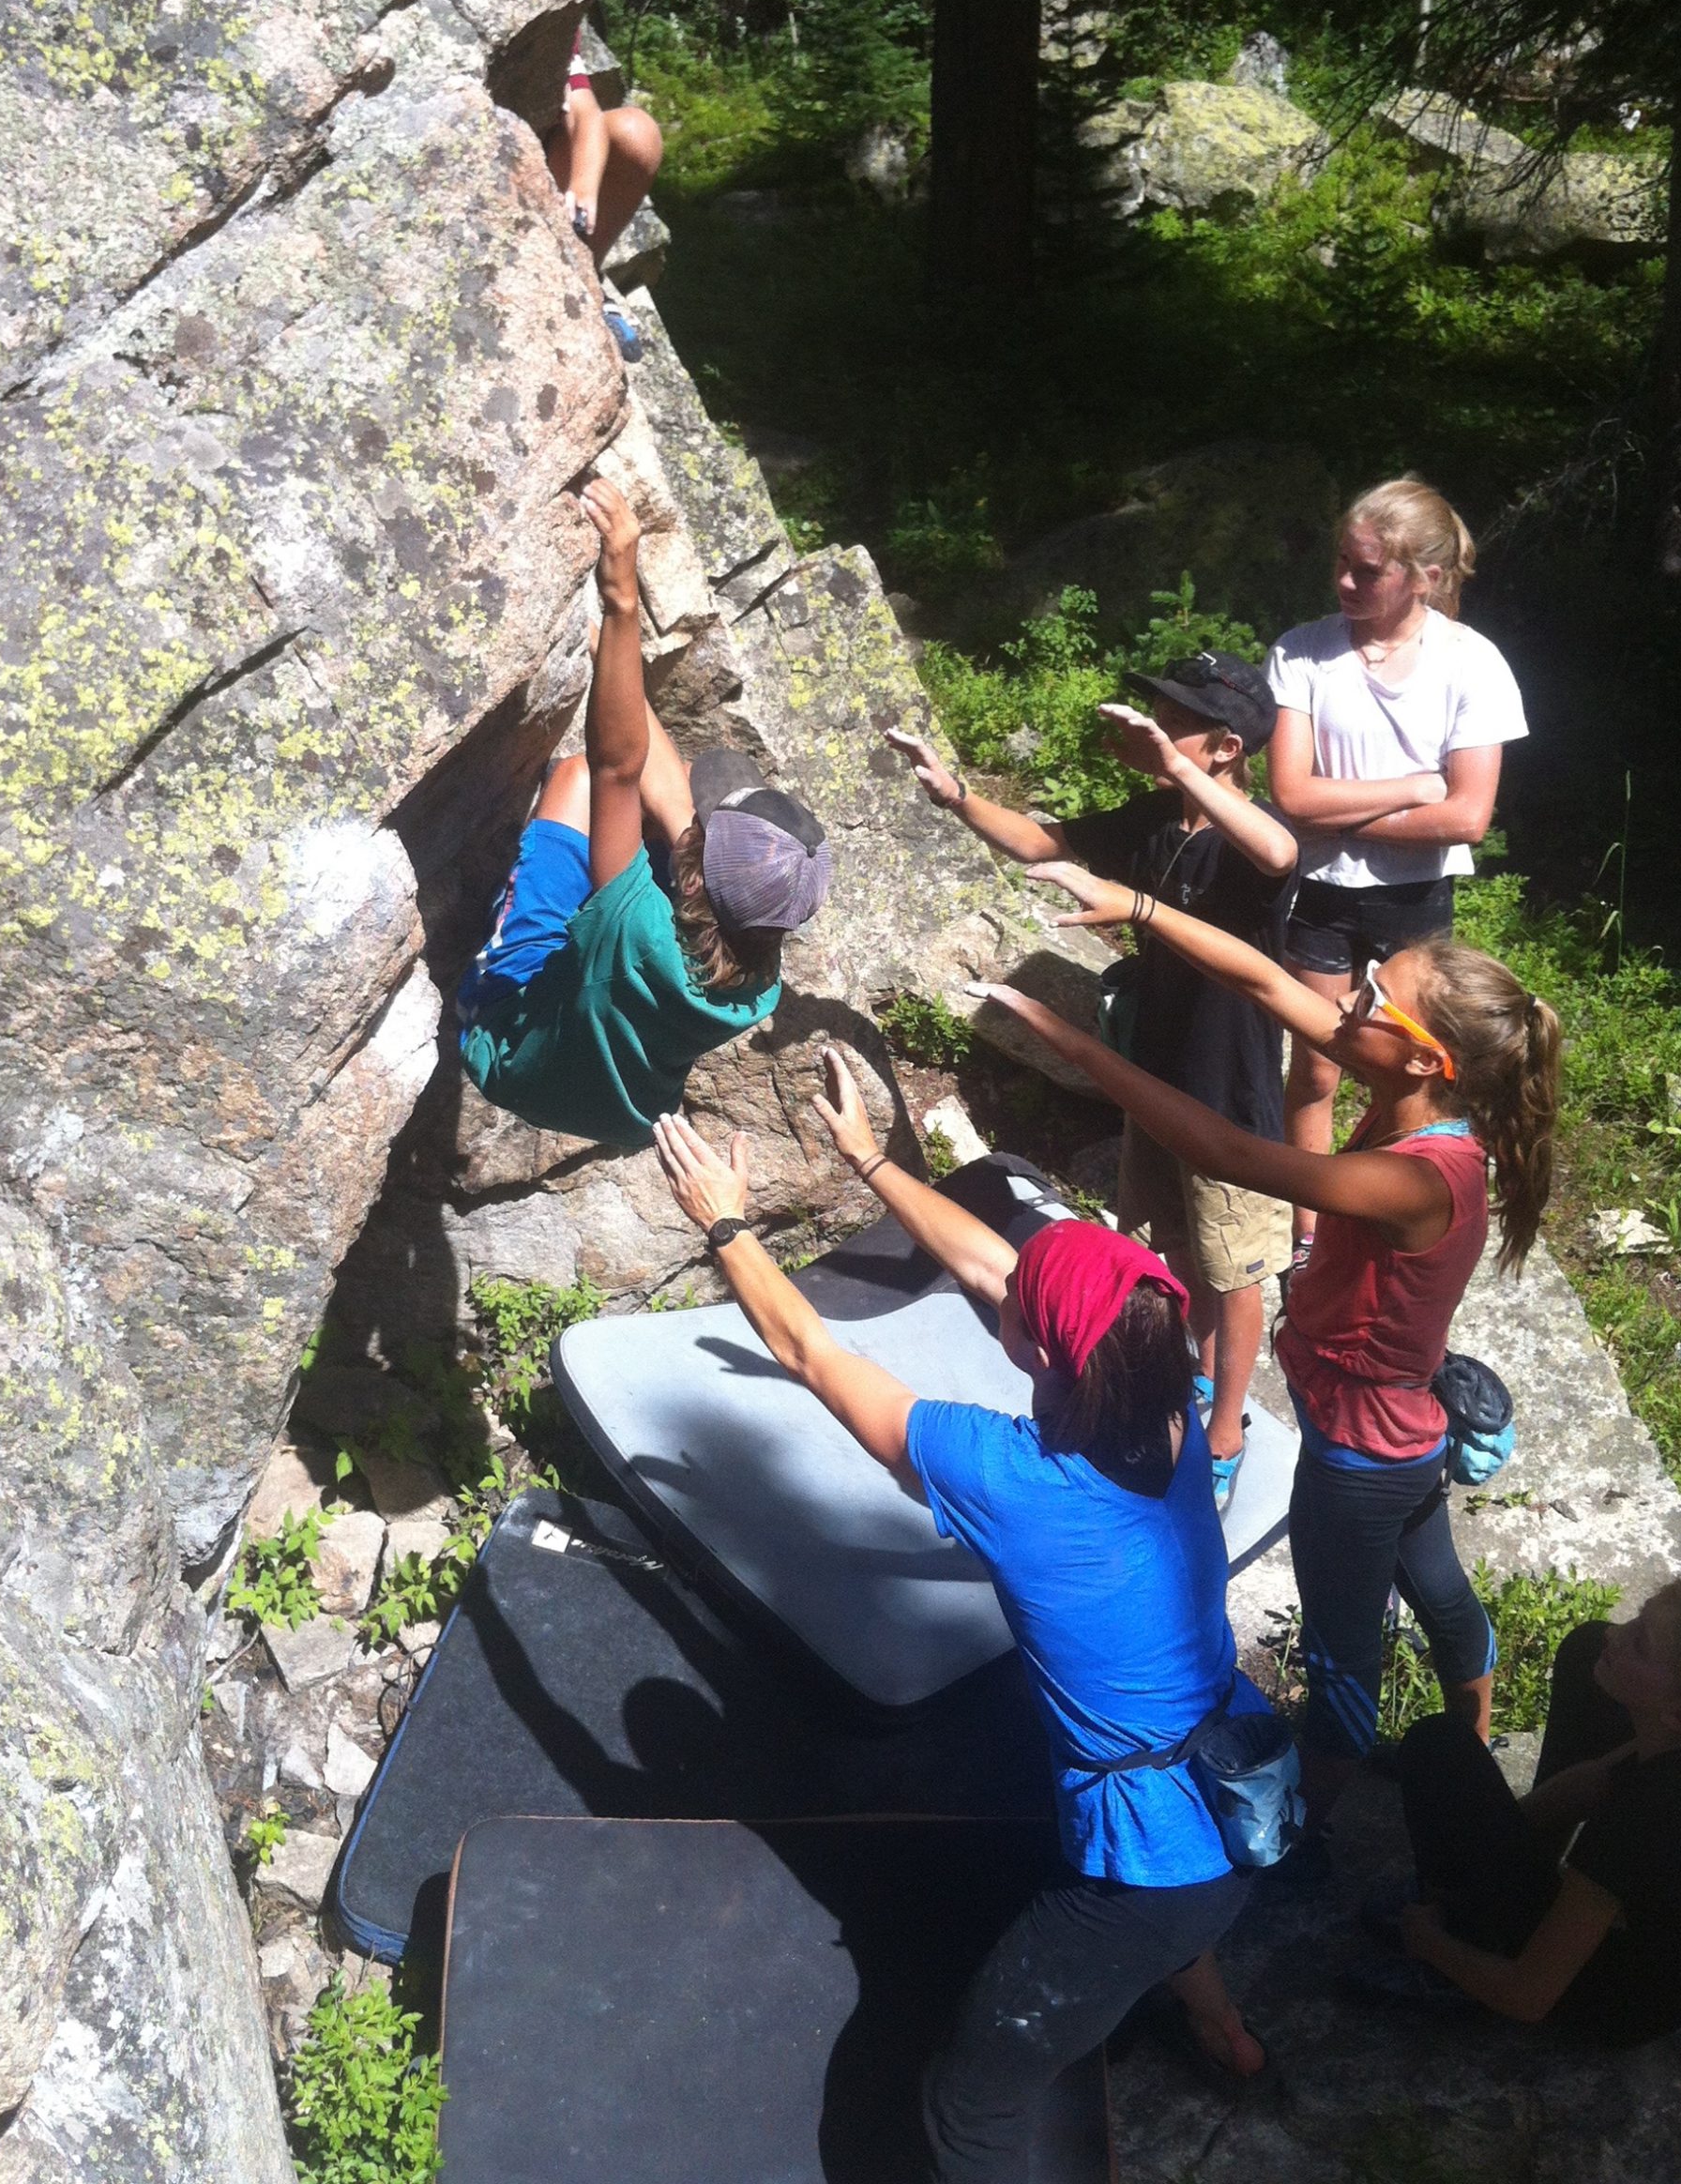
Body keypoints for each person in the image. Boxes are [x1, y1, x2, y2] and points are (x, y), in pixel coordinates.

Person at [651, 1049, 1271, 2183]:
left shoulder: (1012, 1478)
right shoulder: (1169, 1391)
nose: (1003, 1298)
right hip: (1238, 1781)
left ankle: (1177, 2015)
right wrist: (872, 1159)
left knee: (968, 2105)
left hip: (1148, 1876)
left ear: (1040, 1354)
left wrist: (727, 1225)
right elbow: (1001, 1270)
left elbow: (810, 1350)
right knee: (1176, 1896)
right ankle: (1223, 2029)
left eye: (1021, 1315)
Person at [976, 871, 1560, 1838]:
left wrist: (1075, 1042)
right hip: (1403, 1437)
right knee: (1440, 1588)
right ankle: (1475, 1741)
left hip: (1357, 1455)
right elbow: (1265, 981)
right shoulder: (1426, 1113)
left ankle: (1310, 1828)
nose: (1350, 1000)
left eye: (1375, 1000)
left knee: (1338, 1651)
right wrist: (1144, 909)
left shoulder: (1412, 1179)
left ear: (1426, 1060)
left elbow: (1234, 1155)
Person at [884, 653, 1297, 1513]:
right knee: (1177, 1249)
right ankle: (1174, 1382)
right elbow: (1046, 842)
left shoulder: (1246, 839)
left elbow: (1280, 848)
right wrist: (955, 794)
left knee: (1236, 1267)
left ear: (1223, 746)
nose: (1148, 725)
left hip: (1229, 1094)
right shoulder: (1159, 821)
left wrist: (1179, 765)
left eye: (1169, 719)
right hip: (1158, 1075)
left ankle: (1224, 1435)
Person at [457, 478, 829, 1148]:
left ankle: (497, 970)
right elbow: (664, 796)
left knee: (574, 776)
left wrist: (619, 602)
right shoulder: (763, 983)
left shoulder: (633, 919)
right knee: (671, 792)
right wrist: (611, 658)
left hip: (507, 1050)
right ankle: (616, 675)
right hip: (620, 1112)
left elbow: (614, 769)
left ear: (690, 882)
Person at [1265, 479, 1527, 1275]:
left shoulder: (1472, 663)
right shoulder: (1303, 650)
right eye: (1342, 564)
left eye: (1368, 571)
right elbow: (1289, 794)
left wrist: (1332, 812)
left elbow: (1467, 817)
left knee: (1407, 1068)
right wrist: (1412, 788)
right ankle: (1312, 1228)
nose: (1346, 583)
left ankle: (1389, 1208)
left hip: (1416, 896)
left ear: (1424, 575)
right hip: (1323, 892)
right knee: (1314, 1061)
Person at [1382, 1580, 1681, 2048]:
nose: (1617, 1635)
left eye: (1639, 1644)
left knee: (1437, 1749)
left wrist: (1429, 1941)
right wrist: (1494, 1838)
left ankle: (1469, 1931)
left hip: (1614, 1995)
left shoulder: (1645, 1817)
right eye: (1637, 1618)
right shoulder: (1663, 1749)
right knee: (1587, 1649)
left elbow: (1528, 1996)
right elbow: (1598, 1778)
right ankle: (1486, 1886)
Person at [547, 30, 663, 361]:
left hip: (536, 150)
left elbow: (585, 112)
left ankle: (584, 269)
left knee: (637, 132)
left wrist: (582, 188)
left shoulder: (557, 19)